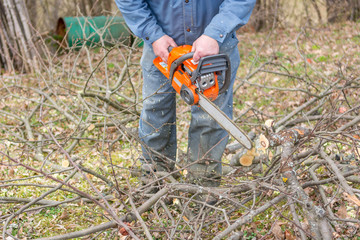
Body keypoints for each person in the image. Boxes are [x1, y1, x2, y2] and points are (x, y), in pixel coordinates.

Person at [115, 0, 256, 187]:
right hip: (161, 47)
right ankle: (156, 178)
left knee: (210, 116)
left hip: (216, 46)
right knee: (155, 109)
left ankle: (203, 180)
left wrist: (215, 33)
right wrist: (153, 34)